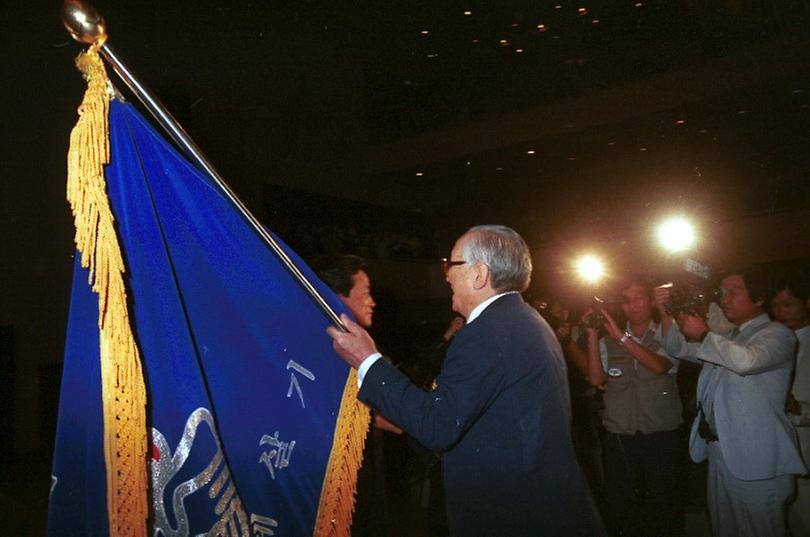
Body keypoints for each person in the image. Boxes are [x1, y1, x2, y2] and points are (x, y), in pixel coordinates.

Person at [327, 225, 605, 536]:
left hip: (514, 515)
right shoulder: (524, 321)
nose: (445, 272)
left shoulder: (487, 333)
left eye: (452, 262)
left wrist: (367, 359)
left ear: (479, 274)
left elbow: (438, 426)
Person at [655, 267, 806, 537]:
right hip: (721, 453)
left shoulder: (778, 334)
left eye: (733, 292)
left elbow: (747, 361)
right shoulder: (729, 338)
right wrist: (667, 313)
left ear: (759, 298)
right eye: (722, 293)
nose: (724, 299)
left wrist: (703, 334)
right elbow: (677, 348)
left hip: (758, 465)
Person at [567, 277, 682, 536]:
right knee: (622, 507)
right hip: (621, 438)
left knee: (664, 506)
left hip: (661, 436)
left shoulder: (667, 332)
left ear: (651, 301)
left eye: (638, 298)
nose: (632, 305)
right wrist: (594, 336)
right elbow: (596, 379)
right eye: (626, 300)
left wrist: (620, 335)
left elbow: (660, 366)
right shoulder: (610, 341)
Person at [771, 268, 810, 536]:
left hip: (805, 449)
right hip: (772, 451)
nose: (781, 312)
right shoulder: (769, 340)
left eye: (788, 304)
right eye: (775, 306)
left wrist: (800, 409)